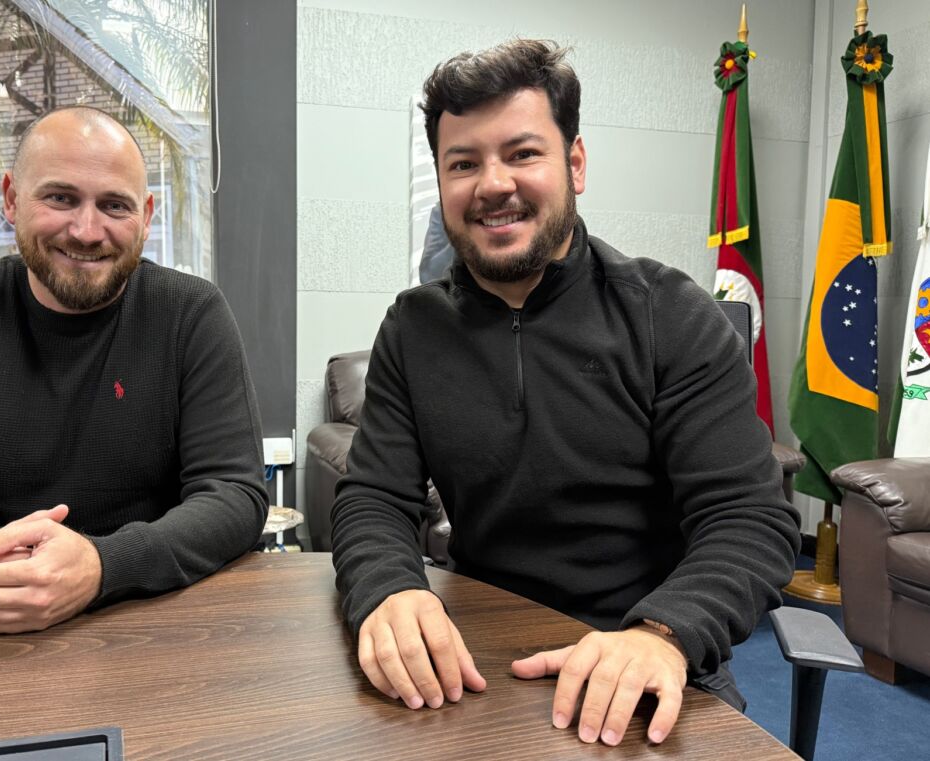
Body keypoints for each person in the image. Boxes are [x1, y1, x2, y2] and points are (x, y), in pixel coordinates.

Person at [331, 40, 800, 746]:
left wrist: (664, 632)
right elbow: (374, 497)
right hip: (478, 662)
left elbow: (750, 519)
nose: (493, 185)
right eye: (463, 163)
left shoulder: (671, 316)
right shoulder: (412, 328)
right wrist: (388, 588)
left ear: (575, 163)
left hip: (650, 659)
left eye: (522, 153)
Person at [0, 106, 268, 634]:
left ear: (146, 216)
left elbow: (234, 495)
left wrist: (103, 566)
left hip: (156, 620)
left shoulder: (190, 313)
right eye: (61, 198)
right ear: (12, 199)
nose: (87, 231)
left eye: (114, 205)